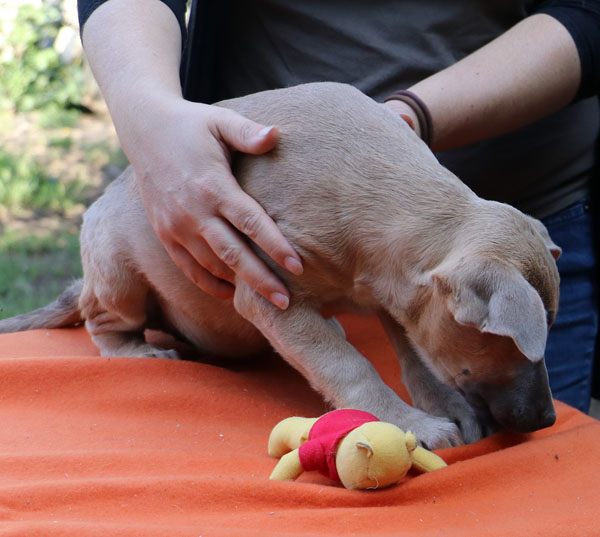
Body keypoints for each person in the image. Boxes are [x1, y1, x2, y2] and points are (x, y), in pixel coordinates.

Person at [76, 0, 599, 412]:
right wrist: (150, 120)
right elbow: (272, 297)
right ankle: (108, 323)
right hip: (253, 202)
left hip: (534, 207)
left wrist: (409, 116)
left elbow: (587, 12)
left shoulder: (424, 269)